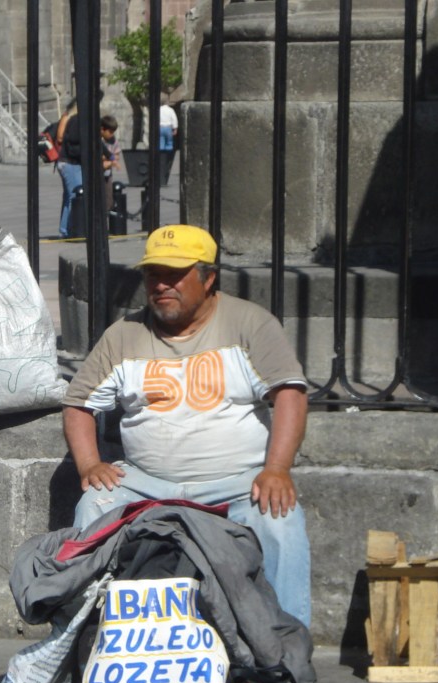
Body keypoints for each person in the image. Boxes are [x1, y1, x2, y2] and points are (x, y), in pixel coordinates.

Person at [61, 224, 312, 625]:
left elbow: (290, 394)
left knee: (279, 520)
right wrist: (90, 464)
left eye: (174, 275)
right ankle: (82, 636)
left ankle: (286, 652)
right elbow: (78, 403)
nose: (162, 285)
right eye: (153, 275)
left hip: (235, 481)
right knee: (94, 506)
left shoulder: (251, 324)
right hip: (147, 479)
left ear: (208, 277)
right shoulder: (124, 334)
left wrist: (277, 469)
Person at [55, 99, 81, 238]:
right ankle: (69, 228)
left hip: (67, 161)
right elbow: (60, 137)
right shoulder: (69, 118)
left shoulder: (71, 118)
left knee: (69, 196)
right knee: (74, 195)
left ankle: (64, 229)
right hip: (68, 161)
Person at [100, 115, 122, 211]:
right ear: (103, 129)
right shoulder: (99, 140)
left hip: (108, 174)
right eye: (110, 132)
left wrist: (110, 160)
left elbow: (117, 156)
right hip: (100, 172)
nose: (112, 135)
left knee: (109, 199)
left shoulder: (113, 141)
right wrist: (108, 158)